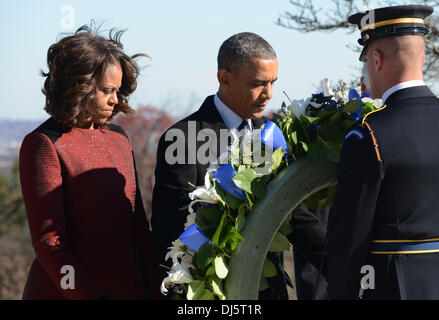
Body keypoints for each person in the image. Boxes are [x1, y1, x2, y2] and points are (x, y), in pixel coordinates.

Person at [152, 32, 327, 299]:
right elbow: (173, 228)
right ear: (224, 78)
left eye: (272, 82)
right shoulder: (183, 138)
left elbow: (295, 216)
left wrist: (346, 266)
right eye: (257, 84)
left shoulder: (272, 135)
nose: (268, 94)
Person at [19, 25, 161, 300]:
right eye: (107, 90)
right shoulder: (44, 143)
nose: (116, 100)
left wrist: (157, 291)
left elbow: (139, 229)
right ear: (78, 86)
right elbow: (50, 244)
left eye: (118, 90)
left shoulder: (120, 139)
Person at [327, 5, 439, 299]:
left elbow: (349, 241)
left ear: (376, 60)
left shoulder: (369, 134)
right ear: (423, 56)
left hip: (394, 286)